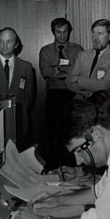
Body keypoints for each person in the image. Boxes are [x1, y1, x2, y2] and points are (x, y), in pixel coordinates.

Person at [39, 17, 84, 167]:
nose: (62, 36)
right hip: (54, 95)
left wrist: (57, 70)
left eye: (65, 32)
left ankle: (71, 164)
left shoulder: (77, 49)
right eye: (59, 32)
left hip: (73, 95)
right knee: (53, 131)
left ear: (69, 32)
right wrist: (69, 70)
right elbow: (46, 72)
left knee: (72, 132)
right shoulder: (45, 50)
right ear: (53, 32)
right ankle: (53, 163)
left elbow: (80, 72)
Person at [67, 19, 110, 97]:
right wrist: (87, 93)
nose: (95, 37)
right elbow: (69, 82)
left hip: (104, 105)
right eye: (93, 33)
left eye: (100, 33)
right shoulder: (82, 55)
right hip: (82, 104)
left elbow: (102, 86)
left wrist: (77, 79)